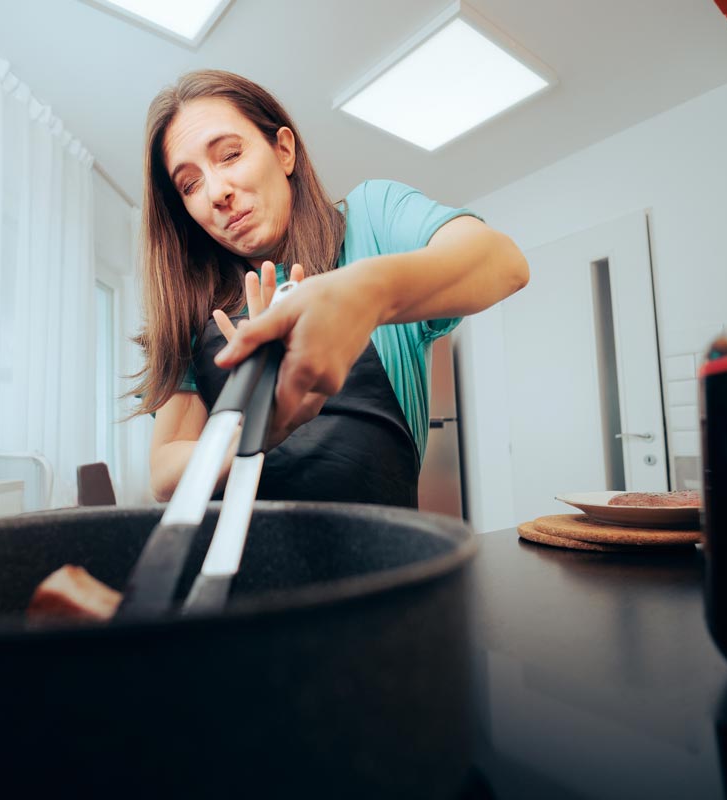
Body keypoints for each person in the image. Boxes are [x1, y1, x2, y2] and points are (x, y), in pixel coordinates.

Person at [131, 70, 530, 508]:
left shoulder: (371, 220)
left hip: (383, 557)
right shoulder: (194, 310)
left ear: (283, 150)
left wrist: (364, 293)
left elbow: (501, 262)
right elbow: (166, 474)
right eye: (190, 184)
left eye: (229, 155)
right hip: (242, 570)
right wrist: (255, 431)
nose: (216, 192)